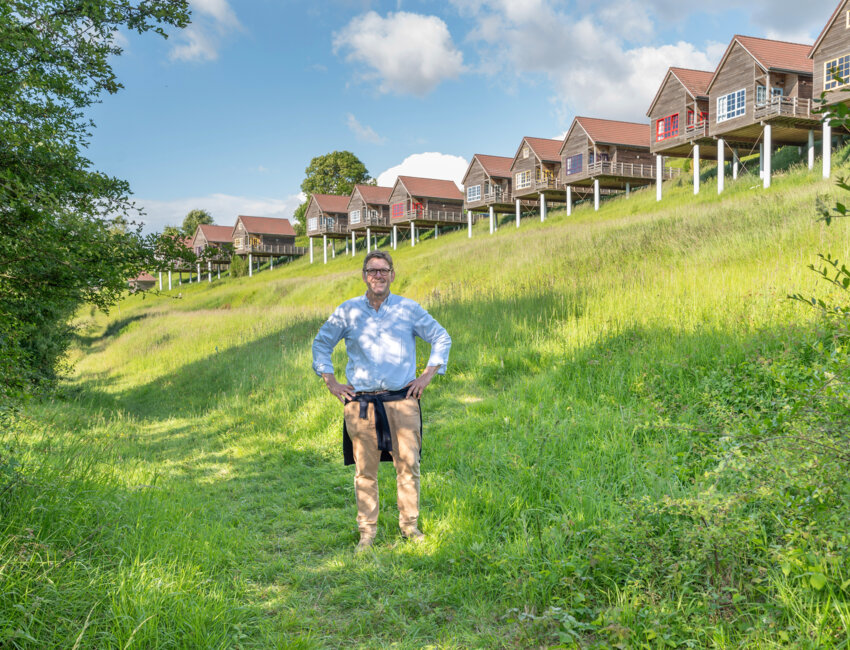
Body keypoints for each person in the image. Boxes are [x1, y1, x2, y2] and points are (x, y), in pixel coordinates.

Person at [311, 250, 451, 552]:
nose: (378, 276)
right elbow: (321, 343)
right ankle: (367, 533)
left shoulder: (408, 309)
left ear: (392, 275)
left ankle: (410, 529)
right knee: (365, 471)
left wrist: (426, 376)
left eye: (384, 270)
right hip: (361, 405)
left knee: (408, 466)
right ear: (364, 275)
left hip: (402, 401)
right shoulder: (347, 312)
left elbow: (441, 337)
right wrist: (331, 381)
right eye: (372, 271)